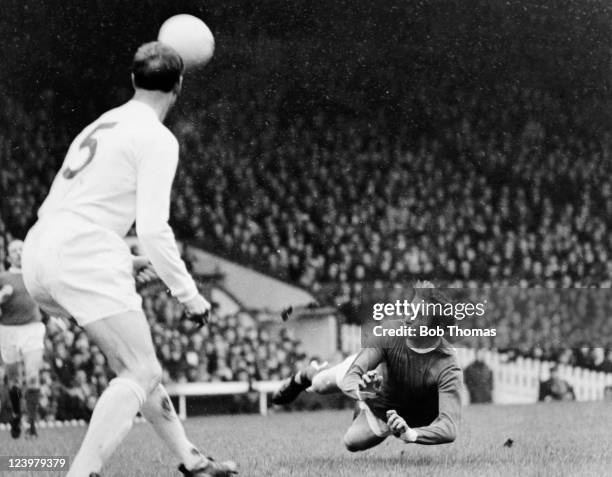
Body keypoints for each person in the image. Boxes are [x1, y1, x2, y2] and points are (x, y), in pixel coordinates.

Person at [21, 42, 237, 477]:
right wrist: (189, 294)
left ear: (133, 80)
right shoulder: (157, 137)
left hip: (40, 249)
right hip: (83, 251)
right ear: (178, 86)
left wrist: (123, 255)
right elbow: (154, 228)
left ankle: (192, 461)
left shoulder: (100, 124)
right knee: (141, 369)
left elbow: (77, 207)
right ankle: (80, 473)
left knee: (138, 367)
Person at [272, 281, 462, 450]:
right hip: (374, 387)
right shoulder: (390, 332)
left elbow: (449, 427)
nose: (408, 317)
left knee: (352, 442)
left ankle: (363, 406)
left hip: (400, 417)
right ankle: (308, 374)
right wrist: (362, 391)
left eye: (419, 315)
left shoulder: (447, 365)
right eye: (410, 309)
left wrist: (411, 434)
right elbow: (352, 375)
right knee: (320, 385)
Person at [0, 240, 45, 438]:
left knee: (33, 374)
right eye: (14, 251)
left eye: (21, 249)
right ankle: (17, 415)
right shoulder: (3, 277)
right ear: (8, 256)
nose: (18, 253)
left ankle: (32, 423)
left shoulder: (34, 275)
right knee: (14, 380)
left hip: (32, 328)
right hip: (8, 330)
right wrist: (2, 296)